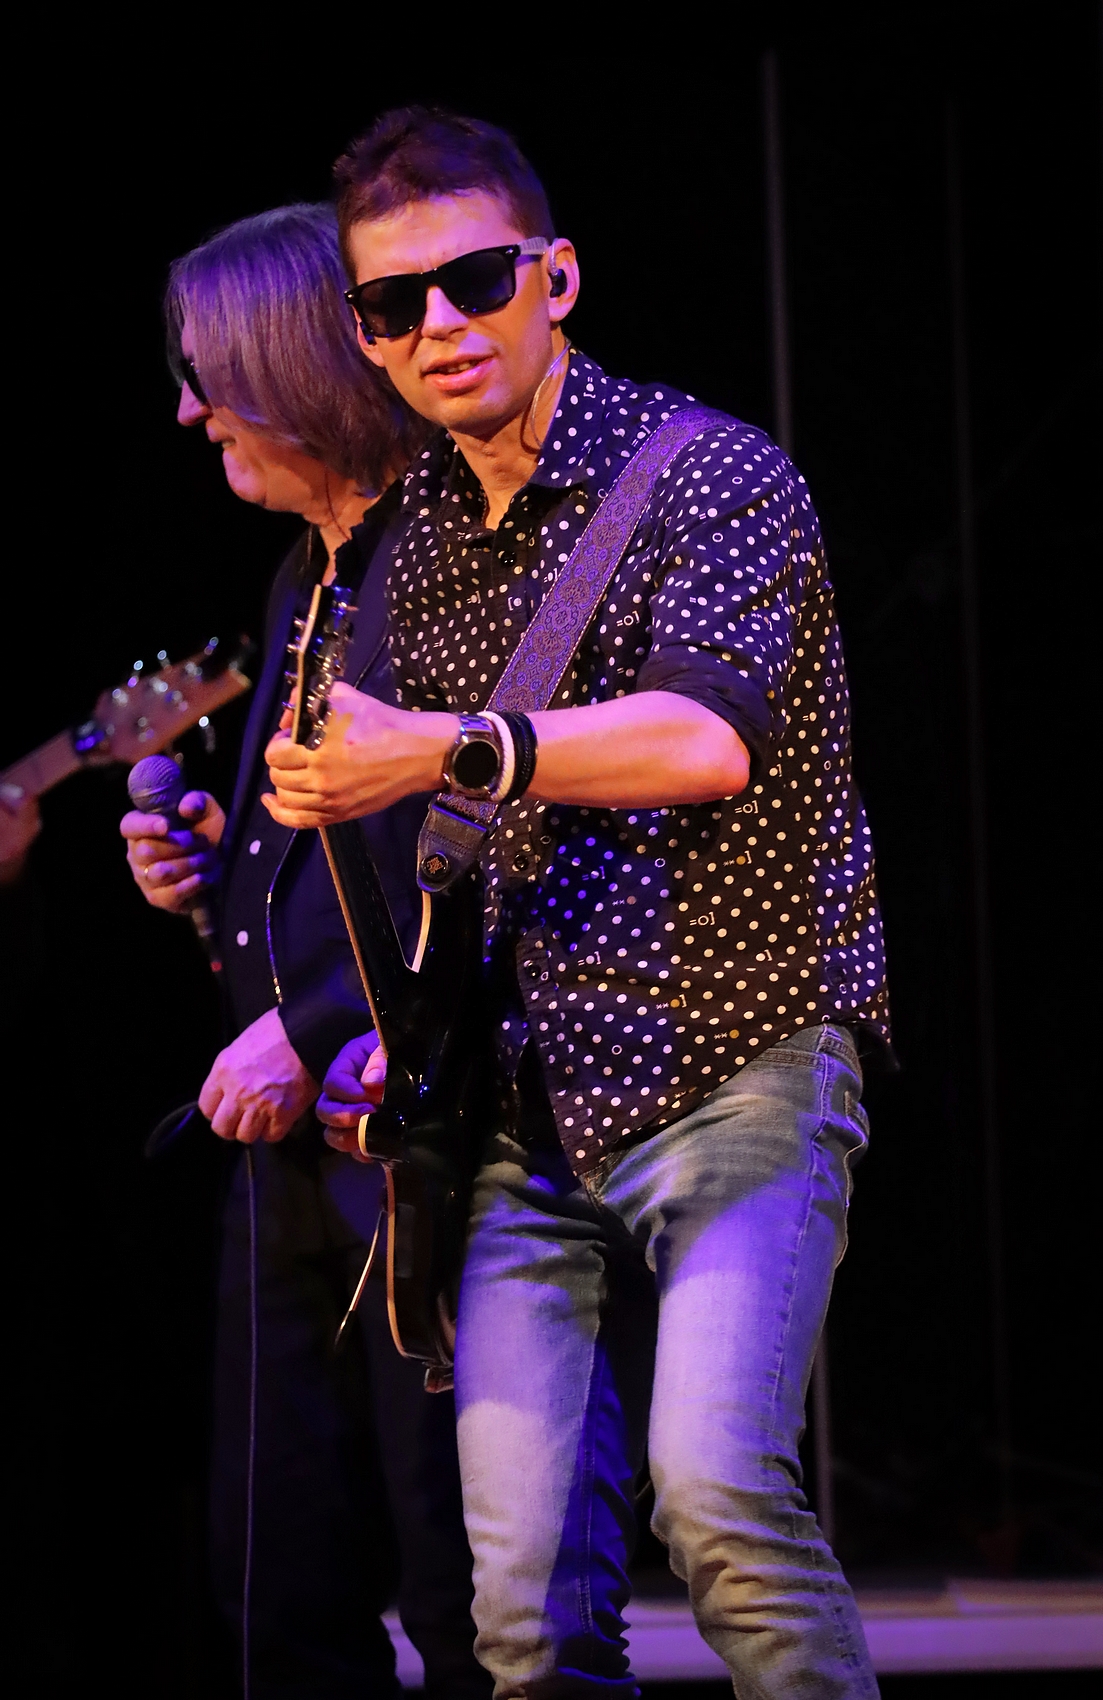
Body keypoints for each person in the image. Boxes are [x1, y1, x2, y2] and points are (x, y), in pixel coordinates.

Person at [265, 110, 890, 1698]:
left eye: (474, 281)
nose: (440, 325)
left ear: (555, 277)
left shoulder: (710, 473)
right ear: (366, 337)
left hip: (731, 1051)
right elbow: (398, 824)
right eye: (395, 304)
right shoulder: (412, 544)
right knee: (521, 1615)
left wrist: (446, 747)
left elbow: (704, 740)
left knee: (720, 1503)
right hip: (517, 1105)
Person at [120, 202, 491, 1699]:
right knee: (274, 1589)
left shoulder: (450, 565)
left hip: (421, 1153)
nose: (190, 410)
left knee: (470, 1601)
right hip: (292, 1163)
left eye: (209, 373)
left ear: (295, 362)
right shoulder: (303, 580)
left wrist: (321, 1022)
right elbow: (341, 864)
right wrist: (216, 880)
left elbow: (500, 866)